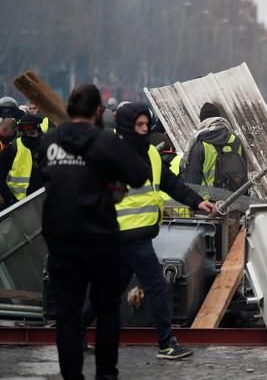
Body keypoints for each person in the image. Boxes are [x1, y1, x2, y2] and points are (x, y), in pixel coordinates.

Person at [81, 103, 214, 361]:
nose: (144, 130)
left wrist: (197, 202)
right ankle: (166, 343)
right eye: (139, 125)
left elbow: (171, 184)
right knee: (156, 286)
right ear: (126, 128)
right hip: (127, 237)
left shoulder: (152, 154)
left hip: (137, 236)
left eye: (146, 125)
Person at [39, 85, 150, 380]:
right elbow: (139, 175)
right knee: (107, 310)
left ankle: (72, 376)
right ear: (98, 112)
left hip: (59, 239)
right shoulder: (104, 141)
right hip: (98, 237)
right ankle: (105, 375)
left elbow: (45, 177)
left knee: (67, 315)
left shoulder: (49, 141)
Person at [182, 102, 247, 192]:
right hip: (235, 199)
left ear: (202, 121)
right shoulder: (235, 140)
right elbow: (244, 172)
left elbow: (192, 181)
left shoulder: (200, 145)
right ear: (219, 118)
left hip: (209, 202)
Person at [0, 114, 44, 206]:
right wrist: (10, 200)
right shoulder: (12, 148)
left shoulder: (47, 145)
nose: (27, 131)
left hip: (45, 198)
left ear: (37, 126)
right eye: (24, 128)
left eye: (30, 127)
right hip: (18, 203)